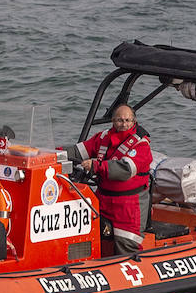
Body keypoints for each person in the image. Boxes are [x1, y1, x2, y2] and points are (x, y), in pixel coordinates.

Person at [63, 103, 152, 256]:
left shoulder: (141, 145)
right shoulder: (104, 137)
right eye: (119, 120)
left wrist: (97, 166)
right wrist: (52, 154)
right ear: (112, 121)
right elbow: (80, 150)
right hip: (103, 199)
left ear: (134, 122)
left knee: (126, 244)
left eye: (127, 120)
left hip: (129, 206)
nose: (123, 124)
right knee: (89, 235)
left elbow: (126, 169)